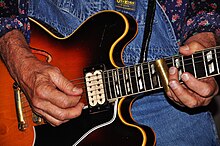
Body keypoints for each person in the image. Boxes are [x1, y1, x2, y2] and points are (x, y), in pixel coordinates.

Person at [0, 0, 220, 145]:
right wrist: (21, 61)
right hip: (40, 52)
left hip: (167, 96)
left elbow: (203, 7)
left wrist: (204, 35)